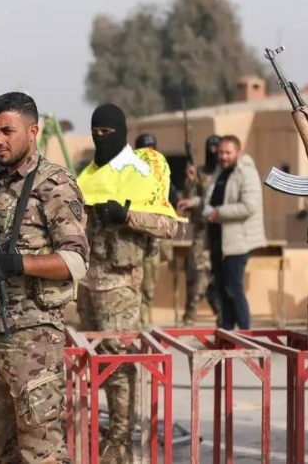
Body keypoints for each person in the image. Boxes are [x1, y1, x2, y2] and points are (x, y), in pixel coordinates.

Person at [0, 92, 88, 463]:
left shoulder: (54, 185)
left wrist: (18, 264)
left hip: (32, 344)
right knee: (0, 454)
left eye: (7, 130)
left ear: (33, 131)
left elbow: (76, 260)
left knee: (42, 455)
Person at [78, 106, 180, 461]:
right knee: (96, 364)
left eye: (106, 133)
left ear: (121, 133)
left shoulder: (140, 173)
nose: (100, 138)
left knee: (119, 365)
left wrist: (126, 215)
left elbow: (170, 226)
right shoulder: (89, 175)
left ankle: (121, 442)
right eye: (95, 132)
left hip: (121, 285)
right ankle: (107, 436)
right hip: (87, 284)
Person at [181, 135, 265, 330]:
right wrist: (194, 202)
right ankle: (227, 332)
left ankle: (245, 333)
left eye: (228, 152)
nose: (224, 157)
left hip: (238, 242)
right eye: (221, 153)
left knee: (233, 288)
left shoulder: (247, 173)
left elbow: (249, 206)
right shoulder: (220, 172)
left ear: (238, 152)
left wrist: (219, 213)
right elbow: (209, 201)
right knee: (221, 290)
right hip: (217, 240)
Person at [131, 132, 175, 327]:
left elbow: (172, 201)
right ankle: (134, 324)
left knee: (148, 287)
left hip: (153, 243)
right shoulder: (129, 174)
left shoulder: (161, 174)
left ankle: (140, 323)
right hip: (132, 241)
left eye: (152, 150)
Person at [177, 135, 222, 325]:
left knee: (218, 278)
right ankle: (190, 316)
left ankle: (222, 316)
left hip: (221, 232)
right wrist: (190, 181)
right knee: (195, 275)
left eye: (217, 147)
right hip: (202, 233)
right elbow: (187, 201)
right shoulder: (199, 172)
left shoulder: (225, 174)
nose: (213, 151)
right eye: (210, 146)